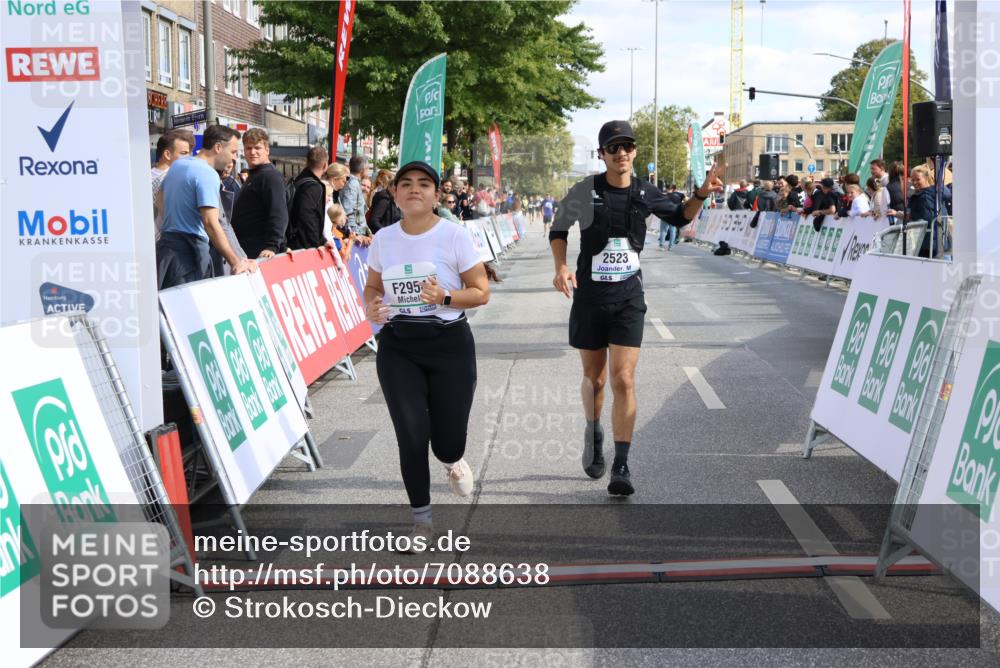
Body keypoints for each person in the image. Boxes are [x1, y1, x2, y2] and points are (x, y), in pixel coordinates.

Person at [549, 120, 723, 496]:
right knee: (595, 380)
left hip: (628, 298)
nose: (621, 153)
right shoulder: (585, 190)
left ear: (635, 153)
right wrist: (561, 267)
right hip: (590, 298)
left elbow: (680, 216)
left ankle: (622, 463)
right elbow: (558, 229)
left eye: (627, 146)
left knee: (623, 379)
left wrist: (702, 194)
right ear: (602, 155)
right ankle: (593, 431)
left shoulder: (645, 191)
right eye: (613, 148)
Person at [363, 161, 490, 545]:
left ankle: (452, 460)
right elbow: (372, 287)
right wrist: (372, 305)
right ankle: (422, 522)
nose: (414, 189)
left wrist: (446, 297)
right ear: (395, 193)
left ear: (437, 194)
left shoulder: (454, 236)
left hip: (449, 345)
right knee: (412, 436)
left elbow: (481, 291)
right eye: (406, 184)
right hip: (399, 346)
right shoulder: (384, 238)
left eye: (423, 184)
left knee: (447, 441)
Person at [156, 124, 255, 289]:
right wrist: (235, 262)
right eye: (233, 152)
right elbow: (211, 223)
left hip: (167, 250)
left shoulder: (178, 165)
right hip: (189, 256)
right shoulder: (207, 174)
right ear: (218, 147)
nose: (235, 158)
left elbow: (159, 197)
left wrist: (174, 220)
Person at [232, 128, 288, 260]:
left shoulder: (270, 176)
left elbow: (278, 213)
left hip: (260, 253)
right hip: (247, 251)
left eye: (257, 148)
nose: (252, 152)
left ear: (267, 150)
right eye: (248, 148)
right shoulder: (255, 175)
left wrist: (272, 246)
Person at [151, 129, 195, 241]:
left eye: (190, 153)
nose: (190, 158)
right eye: (184, 153)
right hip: (168, 244)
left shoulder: (141, 178)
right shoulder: (177, 178)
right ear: (167, 154)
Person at [287, 146, 329, 250]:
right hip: (303, 246)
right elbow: (307, 217)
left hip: (292, 240)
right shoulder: (313, 186)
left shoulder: (299, 180)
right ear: (325, 165)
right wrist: (316, 244)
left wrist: (322, 241)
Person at [907, 164, 939, 257]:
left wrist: (910, 217)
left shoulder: (924, 196)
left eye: (918, 179)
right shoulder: (929, 193)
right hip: (930, 241)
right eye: (912, 180)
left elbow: (926, 219)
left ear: (926, 178)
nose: (914, 182)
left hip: (927, 243)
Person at [340, 155, 369, 235]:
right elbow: (348, 210)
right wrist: (355, 233)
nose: (368, 171)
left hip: (358, 233)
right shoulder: (352, 184)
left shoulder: (354, 183)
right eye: (368, 168)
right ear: (363, 169)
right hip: (355, 235)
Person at [367, 169, 401, 233]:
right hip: (382, 236)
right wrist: (387, 233)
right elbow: (374, 220)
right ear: (393, 187)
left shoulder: (392, 198)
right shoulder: (384, 198)